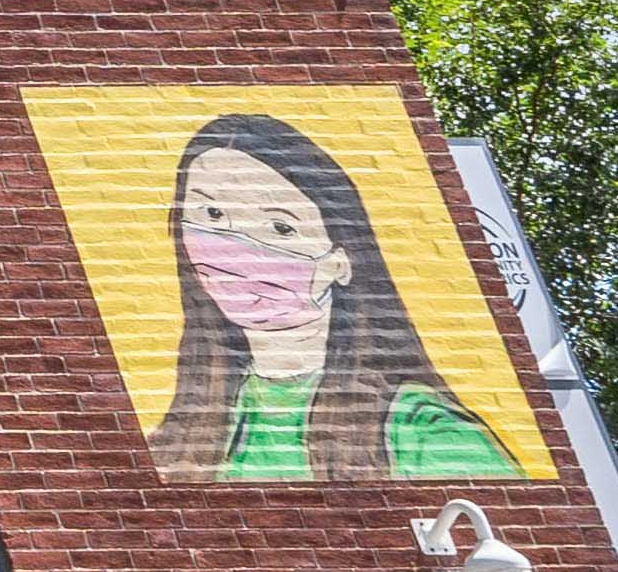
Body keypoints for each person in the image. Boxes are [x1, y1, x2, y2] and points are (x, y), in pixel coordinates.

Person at [154, 113, 525, 480]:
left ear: (340, 262)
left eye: (280, 227)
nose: (235, 249)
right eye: (212, 214)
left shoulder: (426, 433)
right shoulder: (177, 442)